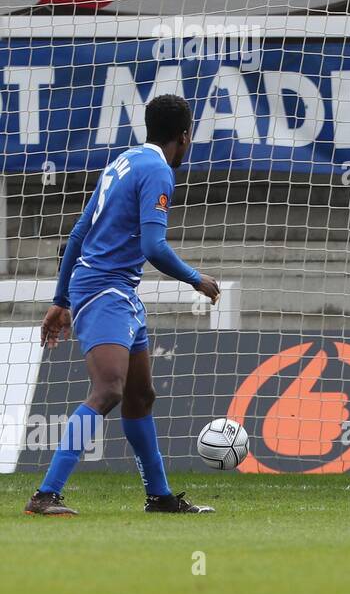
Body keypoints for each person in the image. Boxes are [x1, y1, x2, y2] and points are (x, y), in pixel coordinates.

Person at [26, 94, 222, 516]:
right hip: (104, 289)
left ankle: (160, 497)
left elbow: (79, 233)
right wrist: (196, 279)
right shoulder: (158, 171)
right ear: (185, 136)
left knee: (140, 394)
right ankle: (45, 494)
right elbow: (154, 246)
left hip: (117, 291)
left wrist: (61, 300)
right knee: (109, 390)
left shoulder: (124, 161)